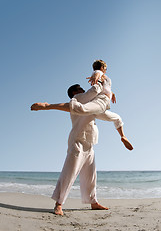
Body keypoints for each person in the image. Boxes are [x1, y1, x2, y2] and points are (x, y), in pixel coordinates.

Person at [31, 83, 131, 215]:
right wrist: (46, 106)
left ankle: (93, 202)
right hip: (78, 143)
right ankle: (58, 204)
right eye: (80, 89)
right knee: (69, 173)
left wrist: (122, 134)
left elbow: (110, 116)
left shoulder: (90, 106)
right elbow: (90, 93)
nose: (83, 90)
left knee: (91, 176)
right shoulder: (77, 100)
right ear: (74, 93)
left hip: (89, 144)